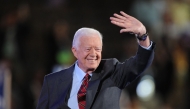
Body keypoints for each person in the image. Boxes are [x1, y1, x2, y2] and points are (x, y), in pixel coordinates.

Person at [36, 11, 155, 109]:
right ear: (75, 51)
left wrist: (143, 35)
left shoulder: (112, 72)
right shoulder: (52, 82)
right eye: (88, 49)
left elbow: (140, 63)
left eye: (97, 49)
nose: (93, 54)